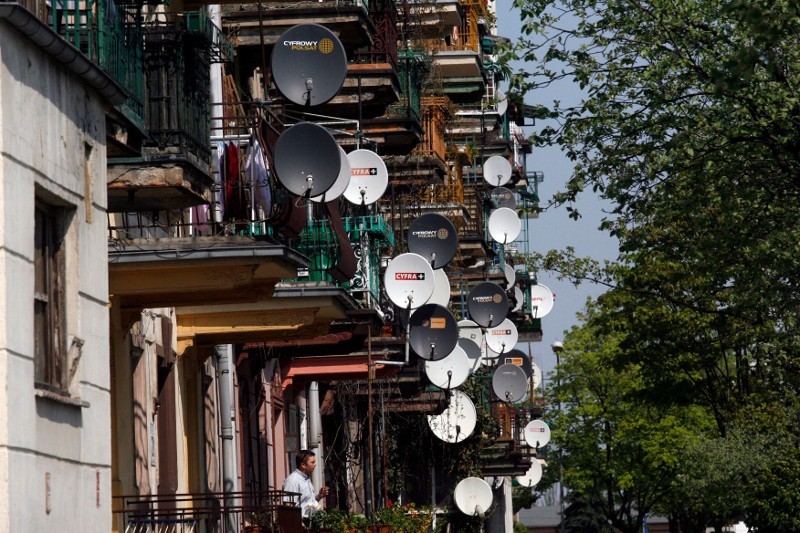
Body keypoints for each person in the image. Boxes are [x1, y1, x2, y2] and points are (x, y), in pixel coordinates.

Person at [282, 450, 329, 519]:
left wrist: (319, 496)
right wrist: (300, 524)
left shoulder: (306, 478)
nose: (315, 465)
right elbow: (288, 507)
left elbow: (308, 503)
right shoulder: (292, 481)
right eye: (312, 462)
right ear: (303, 465)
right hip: (302, 524)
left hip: (311, 522)